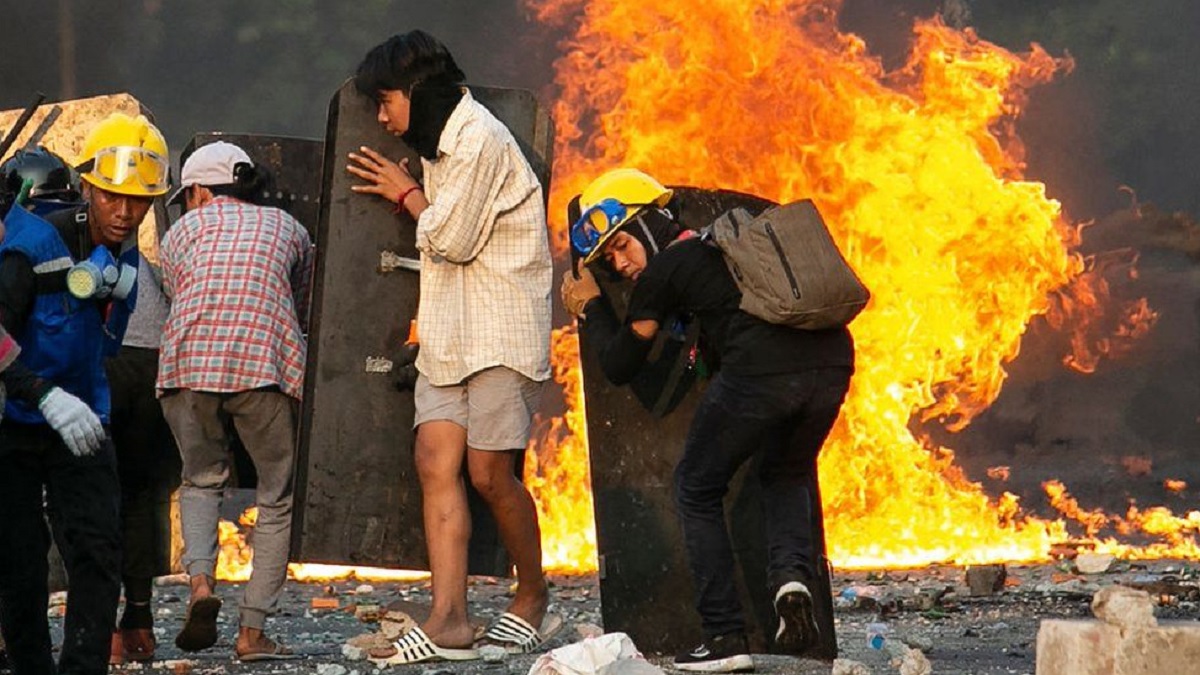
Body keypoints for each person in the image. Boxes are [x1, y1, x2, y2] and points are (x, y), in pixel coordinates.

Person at [560, 169, 855, 673]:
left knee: (696, 488)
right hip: (831, 364)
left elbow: (621, 363)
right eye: (609, 259)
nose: (621, 263)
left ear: (649, 221)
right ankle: (791, 582)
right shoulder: (723, 246)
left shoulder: (667, 269)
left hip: (760, 372)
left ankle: (723, 634)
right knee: (785, 473)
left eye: (622, 245)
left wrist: (591, 307)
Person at [346, 29, 557, 664]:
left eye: (386, 101)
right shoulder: (440, 146)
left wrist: (407, 195)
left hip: (499, 331)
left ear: (416, 91)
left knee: (490, 474)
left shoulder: (480, 139)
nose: (382, 118)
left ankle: (534, 597)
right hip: (449, 333)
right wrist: (421, 188)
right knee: (434, 460)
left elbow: (455, 238)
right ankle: (450, 619)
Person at [0, 114, 169, 675]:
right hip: (17, 421)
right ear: (88, 187)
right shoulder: (31, 244)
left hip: (83, 418)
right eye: (113, 197)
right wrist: (44, 396)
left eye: (139, 202)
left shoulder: (124, 255)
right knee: (20, 562)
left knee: (98, 552)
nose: (125, 213)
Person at [157, 140, 312, 662]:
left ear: (199, 191)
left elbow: (179, 294)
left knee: (200, 480)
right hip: (263, 366)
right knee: (276, 495)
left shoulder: (179, 233)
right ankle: (252, 632)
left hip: (188, 366)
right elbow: (302, 297)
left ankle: (201, 586)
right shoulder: (291, 230)